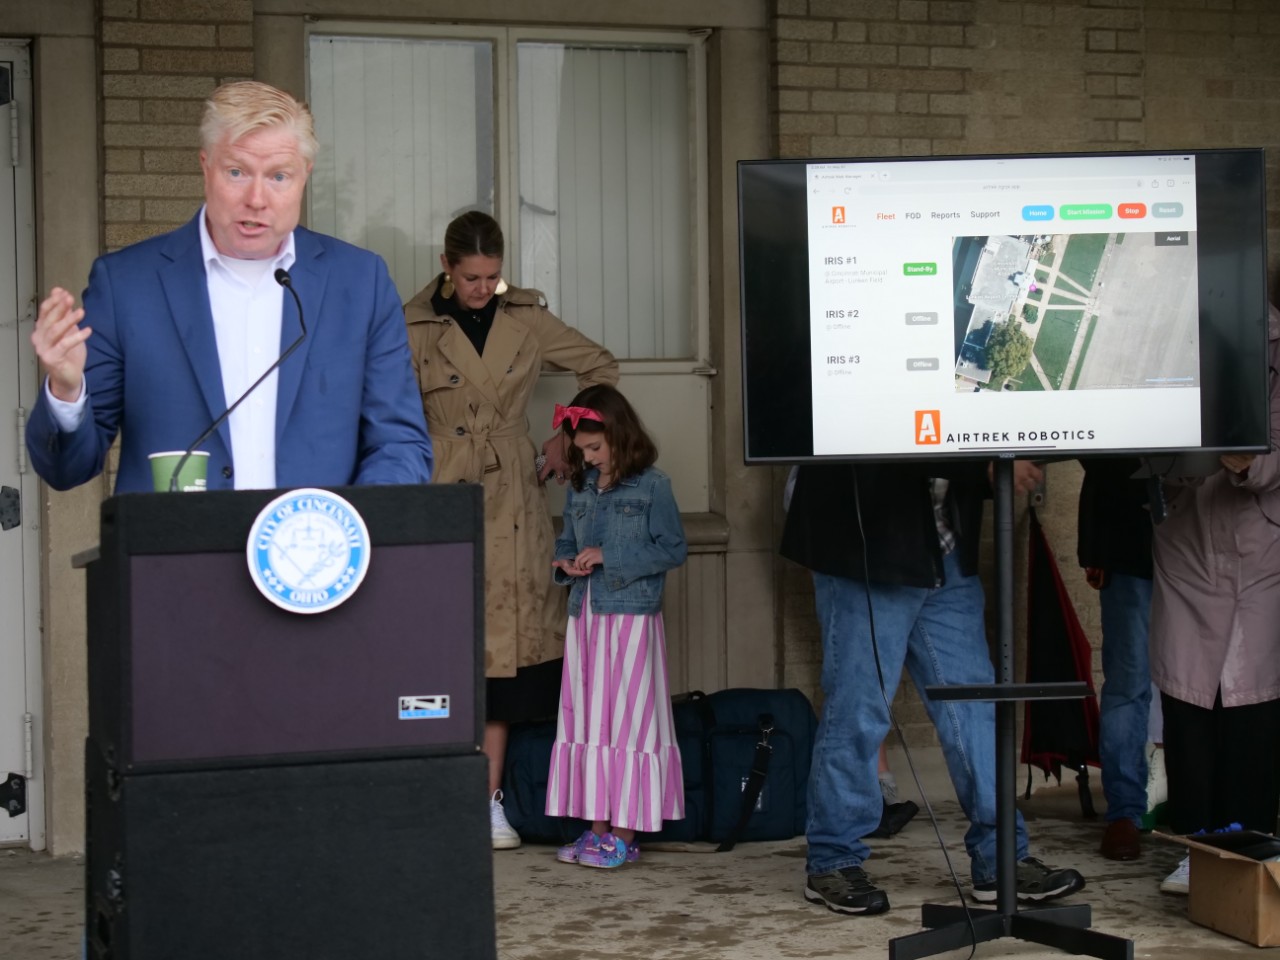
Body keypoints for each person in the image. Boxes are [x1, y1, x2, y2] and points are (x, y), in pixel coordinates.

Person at [26, 81, 432, 493]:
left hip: (317, 535)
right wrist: (66, 390)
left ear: (305, 175)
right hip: (175, 536)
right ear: (206, 167)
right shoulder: (127, 285)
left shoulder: (360, 283)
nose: (256, 198)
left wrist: (348, 522)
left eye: (278, 176)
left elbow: (400, 444)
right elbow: (68, 470)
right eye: (236, 172)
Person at [781, 460, 1086, 915]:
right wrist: (982, 466)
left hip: (945, 550)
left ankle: (1001, 858)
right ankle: (833, 858)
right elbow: (895, 433)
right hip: (867, 544)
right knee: (860, 709)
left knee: (977, 709)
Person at [404, 213, 618, 848]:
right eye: (471, 277)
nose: (482, 289)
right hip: (438, 489)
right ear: (446, 267)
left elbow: (599, 366)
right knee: (437, 650)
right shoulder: (410, 325)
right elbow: (381, 408)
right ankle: (432, 796)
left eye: (493, 277)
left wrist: (565, 437)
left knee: (502, 658)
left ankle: (488, 803)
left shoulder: (524, 317)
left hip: (512, 500)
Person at [1150, 302, 1280, 895]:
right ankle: (1194, 849)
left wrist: (1248, 463)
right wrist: (1174, 462)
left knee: (1254, 707)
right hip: (1187, 550)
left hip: (1261, 558)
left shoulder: (1273, 349)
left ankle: (1251, 847)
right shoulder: (1170, 334)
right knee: (1188, 707)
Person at [543, 384, 687, 868]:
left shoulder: (653, 486)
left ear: (619, 435)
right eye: (581, 450)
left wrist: (609, 555)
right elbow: (566, 540)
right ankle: (596, 830)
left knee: (628, 722)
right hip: (586, 616)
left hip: (630, 618)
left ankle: (623, 835)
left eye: (594, 447)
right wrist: (567, 564)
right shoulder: (581, 487)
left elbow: (672, 549)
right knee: (589, 720)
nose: (588, 458)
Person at [1077, 459, 1162, 861]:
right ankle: (1124, 812)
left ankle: (1207, 807)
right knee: (1129, 680)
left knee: (1217, 679)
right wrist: (1095, 547)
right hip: (1127, 533)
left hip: (1208, 531)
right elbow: (1095, 450)